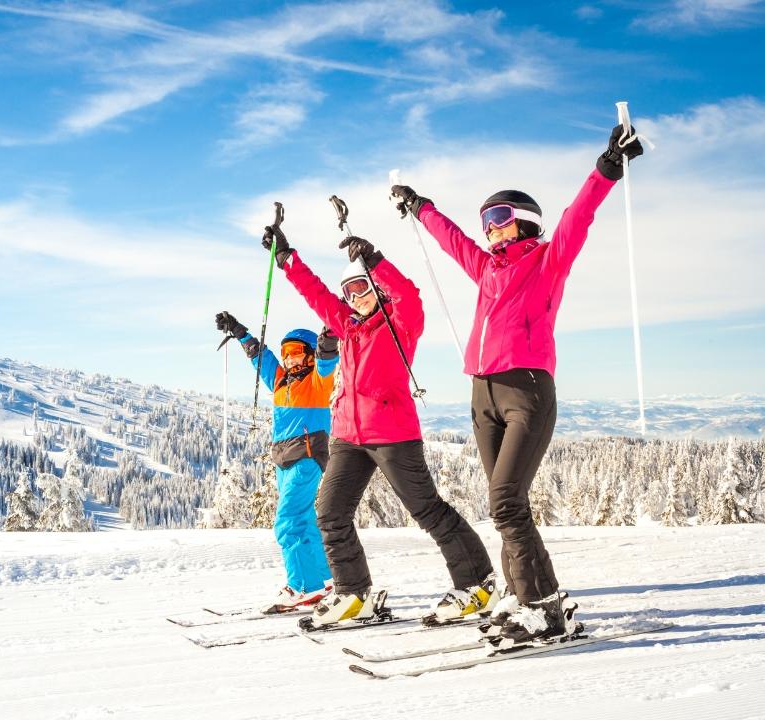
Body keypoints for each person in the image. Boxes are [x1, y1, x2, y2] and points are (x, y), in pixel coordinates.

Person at [389, 123, 643, 642]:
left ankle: (541, 607)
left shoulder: (548, 262)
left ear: (524, 222)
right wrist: (421, 206)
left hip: (526, 389)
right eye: (487, 222)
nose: (491, 230)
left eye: (500, 219)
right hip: (482, 392)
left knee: (505, 500)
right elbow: (451, 240)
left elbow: (578, 219)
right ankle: (537, 598)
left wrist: (605, 168)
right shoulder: (486, 269)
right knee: (506, 503)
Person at [261, 225, 495, 628]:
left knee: (427, 510)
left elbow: (410, 295)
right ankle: (354, 594)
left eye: (362, 288)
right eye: (349, 291)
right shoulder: (347, 326)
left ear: (378, 290)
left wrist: (375, 260)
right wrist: (287, 259)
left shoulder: (400, 324)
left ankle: (477, 583)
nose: (354, 297)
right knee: (330, 513)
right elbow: (315, 293)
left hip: (392, 434)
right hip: (349, 437)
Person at [214, 313, 335, 613]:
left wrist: (328, 341)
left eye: (296, 353)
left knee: (287, 522)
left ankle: (304, 587)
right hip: (284, 460)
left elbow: (327, 361)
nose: (290, 360)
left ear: (309, 355)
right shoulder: (281, 382)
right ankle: (327, 578)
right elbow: (261, 358)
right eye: (287, 354)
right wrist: (240, 331)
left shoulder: (318, 382)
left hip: (307, 457)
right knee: (304, 520)